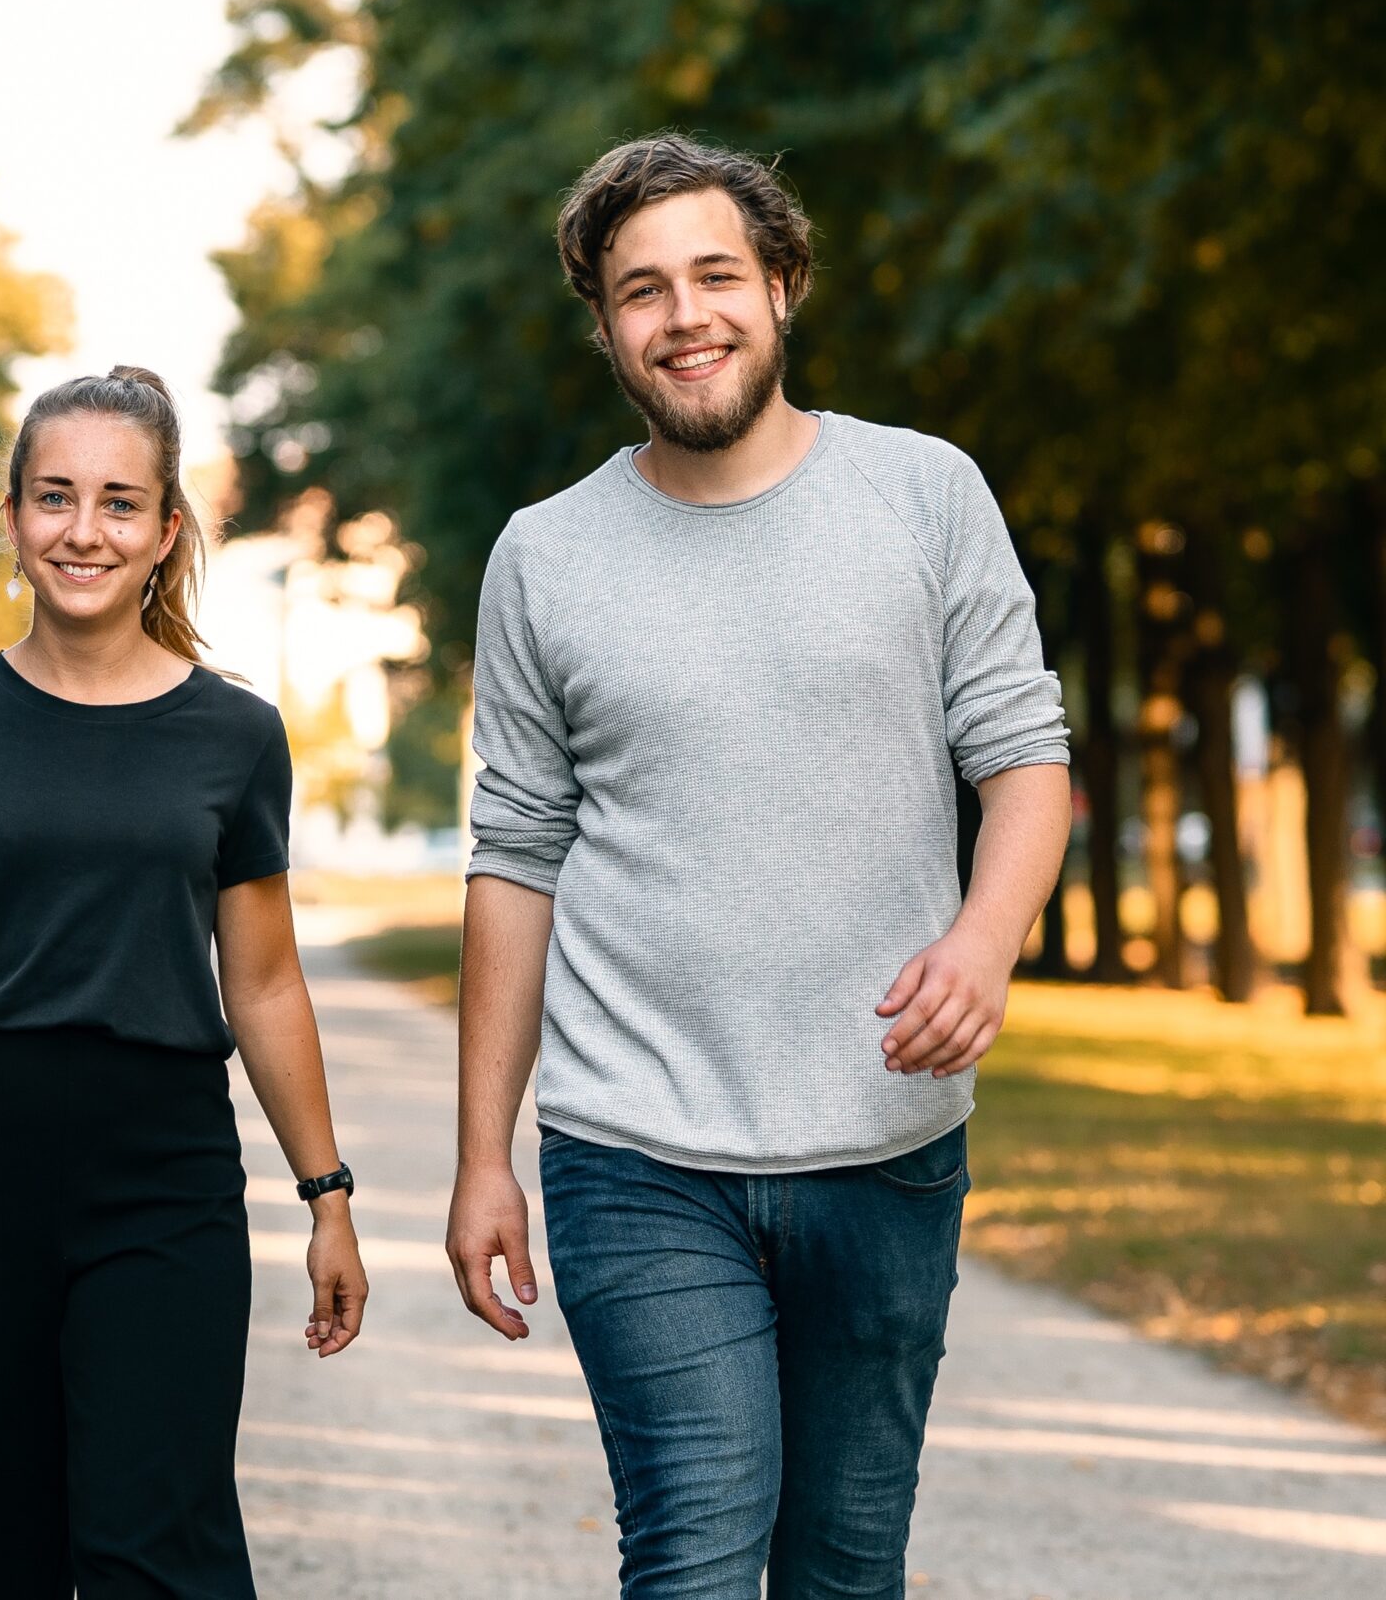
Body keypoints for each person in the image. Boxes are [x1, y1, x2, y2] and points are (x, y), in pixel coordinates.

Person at [444, 134, 1072, 1599]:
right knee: (698, 1559)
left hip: (886, 1141)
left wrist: (983, 942)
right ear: (605, 325)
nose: (684, 315)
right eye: (640, 290)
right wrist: (483, 1154)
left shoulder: (925, 496)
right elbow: (515, 858)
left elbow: (1024, 758)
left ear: (783, 286)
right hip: (637, 1153)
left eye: (716, 274)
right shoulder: (546, 555)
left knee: (847, 1567)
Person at [0, 366, 367, 1599]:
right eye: (54, 497)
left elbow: (261, 983)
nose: (82, 530)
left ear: (164, 531)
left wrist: (326, 1192)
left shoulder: (234, 737)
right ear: (10, 517)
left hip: (163, 1169)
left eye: (117, 502)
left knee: (158, 1543)